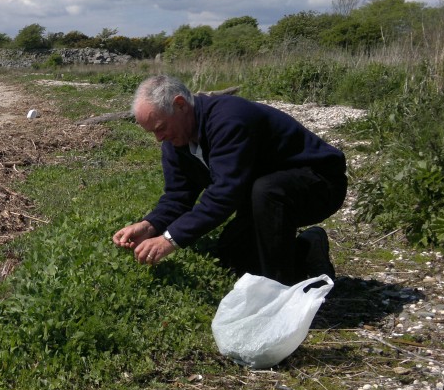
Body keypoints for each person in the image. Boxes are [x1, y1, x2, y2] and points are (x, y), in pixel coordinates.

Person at [112, 75, 347, 285]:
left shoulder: (229, 118)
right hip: (262, 196)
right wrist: (150, 225)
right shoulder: (175, 141)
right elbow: (178, 196)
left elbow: (224, 194)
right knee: (230, 254)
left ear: (180, 105)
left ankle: (280, 289)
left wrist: (170, 240)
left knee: (267, 191)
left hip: (319, 183)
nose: (158, 138)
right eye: (152, 132)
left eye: (160, 128)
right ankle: (308, 248)